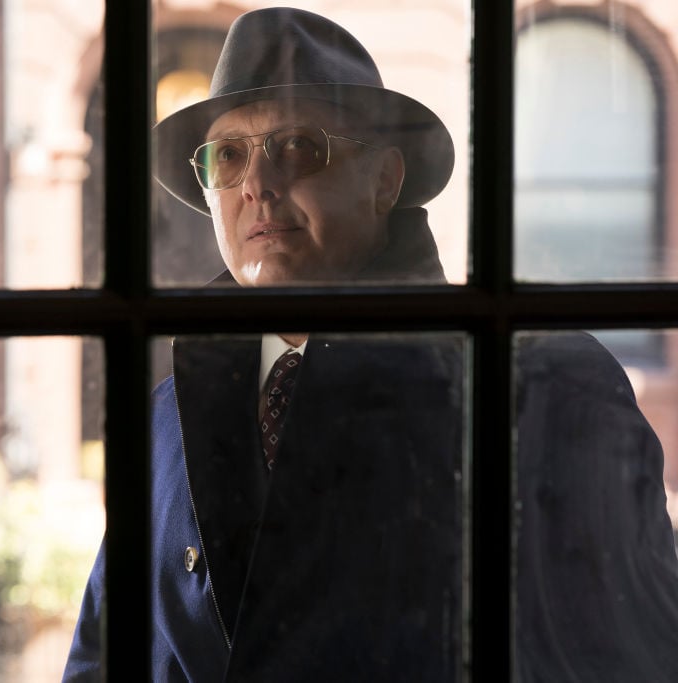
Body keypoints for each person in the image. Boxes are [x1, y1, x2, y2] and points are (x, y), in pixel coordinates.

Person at [64, 7, 678, 681]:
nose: (256, 186)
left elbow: (628, 657)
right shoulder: (164, 419)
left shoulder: (539, 387)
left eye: (297, 145)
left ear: (385, 179)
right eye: (228, 155)